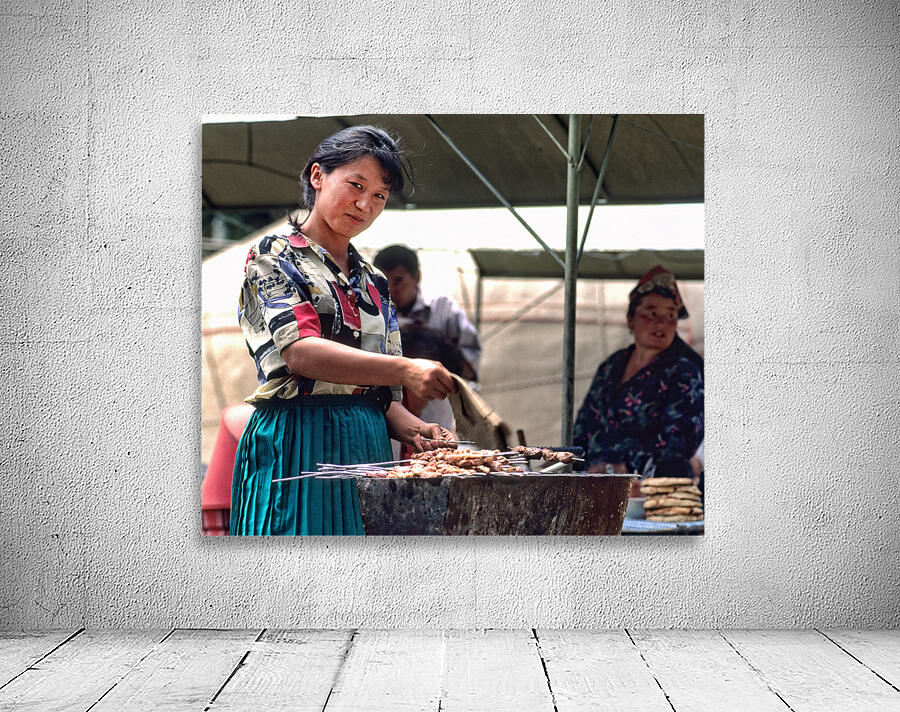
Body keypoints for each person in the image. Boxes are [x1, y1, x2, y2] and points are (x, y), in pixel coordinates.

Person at [231, 126, 455, 536]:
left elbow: (379, 397)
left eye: (379, 196)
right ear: (318, 176)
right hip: (299, 442)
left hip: (368, 445)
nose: (365, 204)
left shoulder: (374, 281)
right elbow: (301, 352)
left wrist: (418, 430)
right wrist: (407, 369)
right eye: (356, 185)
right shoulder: (275, 256)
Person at [573, 266, 704, 480]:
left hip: (646, 485)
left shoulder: (684, 372)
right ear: (630, 318)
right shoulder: (611, 366)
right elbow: (582, 428)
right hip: (591, 482)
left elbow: (679, 444)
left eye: (671, 314)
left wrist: (617, 468)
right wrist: (571, 466)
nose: (661, 322)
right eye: (652, 313)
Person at [373, 244, 482, 381]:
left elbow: (471, 366)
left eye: (398, 280)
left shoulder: (444, 308)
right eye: (382, 282)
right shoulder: (370, 312)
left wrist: (431, 339)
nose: (389, 289)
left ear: (417, 277)